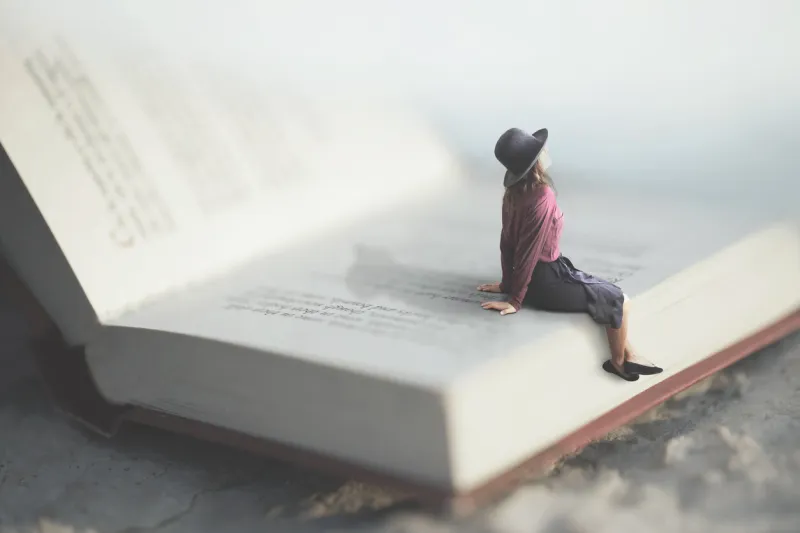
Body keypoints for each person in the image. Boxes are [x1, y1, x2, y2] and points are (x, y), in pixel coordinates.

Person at [477, 127, 662, 381]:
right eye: (541, 150)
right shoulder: (543, 195)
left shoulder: (512, 195)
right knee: (622, 299)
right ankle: (618, 363)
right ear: (534, 162)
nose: (546, 151)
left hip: (542, 275)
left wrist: (507, 284)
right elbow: (530, 251)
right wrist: (515, 300)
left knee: (602, 294)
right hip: (545, 282)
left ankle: (631, 356)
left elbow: (506, 243)